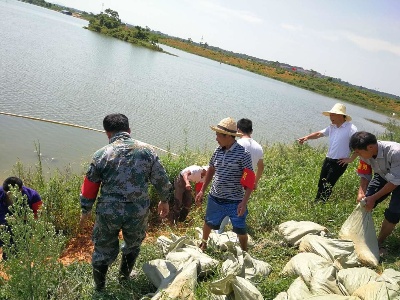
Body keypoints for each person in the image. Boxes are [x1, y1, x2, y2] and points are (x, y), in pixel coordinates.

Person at [79, 113, 171, 291]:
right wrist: (164, 200)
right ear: (129, 130)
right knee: (133, 244)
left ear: (107, 133)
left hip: (108, 212)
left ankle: (100, 289)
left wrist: (86, 210)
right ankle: (124, 277)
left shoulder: (101, 155)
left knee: (103, 249)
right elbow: (161, 180)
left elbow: (90, 185)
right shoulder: (147, 151)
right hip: (137, 211)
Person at [195, 117, 255, 251]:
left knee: (240, 229)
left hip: (235, 201)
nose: (216, 138)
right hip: (215, 197)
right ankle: (204, 243)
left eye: (218, 135)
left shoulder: (243, 154)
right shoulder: (218, 151)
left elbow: (250, 180)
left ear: (228, 136)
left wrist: (244, 203)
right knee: (208, 221)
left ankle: (244, 251)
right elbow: (211, 170)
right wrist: (202, 190)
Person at [349, 131, 400, 255]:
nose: (357, 155)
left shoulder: (396, 153)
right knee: (365, 202)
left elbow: (394, 182)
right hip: (383, 175)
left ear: (370, 147)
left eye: (359, 152)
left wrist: (374, 197)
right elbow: (365, 174)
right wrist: (362, 192)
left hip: (397, 179)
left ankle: (378, 242)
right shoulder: (364, 153)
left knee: (393, 213)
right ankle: (359, 235)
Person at [297, 103, 357, 202]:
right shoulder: (332, 127)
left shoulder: (351, 129)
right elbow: (319, 134)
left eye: (333, 115)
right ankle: (316, 203)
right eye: (330, 115)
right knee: (321, 183)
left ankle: (321, 204)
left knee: (328, 185)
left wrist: (351, 159)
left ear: (341, 116)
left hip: (339, 162)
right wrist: (306, 137)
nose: (330, 117)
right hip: (328, 159)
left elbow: (359, 145)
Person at [218, 118, 264, 233]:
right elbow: (261, 166)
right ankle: (235, 227)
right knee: (240, 205)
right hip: (246, 182)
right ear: (251, 131)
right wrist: (255, 182)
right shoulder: (258, 147)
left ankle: (219, 231)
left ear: (238, 130)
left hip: (233, 181)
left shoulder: (236, 144)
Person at [0, 176, 42, 261]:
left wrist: (20, 217)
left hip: (21, 230)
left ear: (20, 190)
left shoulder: (33, 196)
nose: (8, 195)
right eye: (6, 193)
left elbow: (40, 215)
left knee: (14, 256)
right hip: (2, 227)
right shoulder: (1, 192)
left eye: (11, 193)